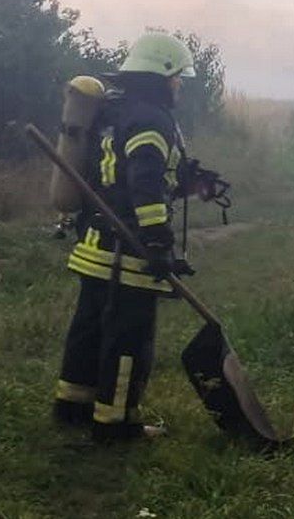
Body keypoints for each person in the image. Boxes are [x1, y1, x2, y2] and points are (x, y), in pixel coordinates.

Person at [52, 31, 200, 443]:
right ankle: (116, 424)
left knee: (89, 329)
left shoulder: (114, 111)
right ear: (160, 76)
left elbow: (113, 174)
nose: (179, 86)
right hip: (128, 252)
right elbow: (144, 182)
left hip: (95, 245)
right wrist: (157, 241)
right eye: (177, 78)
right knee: (129, 340)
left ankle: (71, 406)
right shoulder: (151, 119)